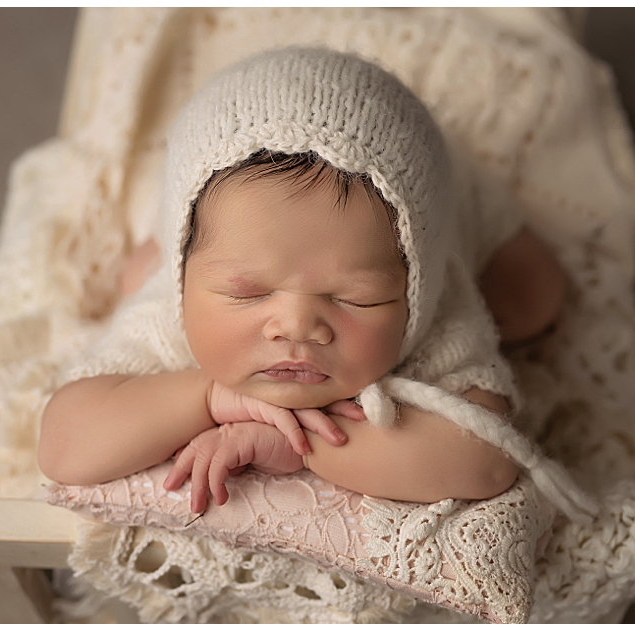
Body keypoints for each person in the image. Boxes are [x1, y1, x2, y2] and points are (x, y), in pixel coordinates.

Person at [39, 47, 591, 518]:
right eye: (248, 293)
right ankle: (169, 239)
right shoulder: (170, 311)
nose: (297, 326)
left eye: (355, 296)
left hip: (459, 200)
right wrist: (208, 396)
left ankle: (465, 190)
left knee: (533, 298)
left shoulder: (437, 318)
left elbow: (484, 459)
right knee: (133, 278)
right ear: (184, 282)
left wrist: (300, 446)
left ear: (414, 293)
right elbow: (65, 445)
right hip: (204, 214)